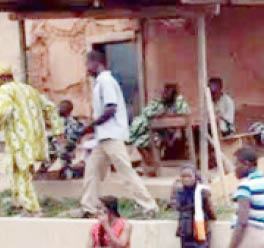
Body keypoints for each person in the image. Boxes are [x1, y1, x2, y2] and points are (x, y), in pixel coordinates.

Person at [80, 50, 158, 218]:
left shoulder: (106, 81)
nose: (86, 69)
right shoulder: (100, 82)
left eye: (87, 64)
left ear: (95, 63)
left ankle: (149, 206)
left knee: (126, 172)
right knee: (92, 171)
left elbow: (111, 108)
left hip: (112, 136)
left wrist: (91, 125)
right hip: (104, 137)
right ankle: (89, 207)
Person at [0, 63, 63, 215]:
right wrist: (57, 130)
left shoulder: (4, 91)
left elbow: (4, 111)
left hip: (19, 139)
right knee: (17, 170)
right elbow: (51, 107)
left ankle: (32, 208)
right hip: (35, 140)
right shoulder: (30, 90)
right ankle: (19, 203)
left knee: (21, 173)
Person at [128, 83, 190, 176]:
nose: (165, 94)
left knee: (154, 139)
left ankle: (151, 166)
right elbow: (147, 113)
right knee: (141, 141)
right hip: (156, 132)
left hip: (173, 133)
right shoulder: (158, 103)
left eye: (168, 92)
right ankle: (150, 166)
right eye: (164, 92)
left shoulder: (179, 102)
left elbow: (184, 117)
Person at [55, 100, 86, 180]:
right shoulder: (59, 121)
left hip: (67, 146)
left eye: (62, 108)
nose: (59, 109)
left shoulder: (72, 123)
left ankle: (72, 172)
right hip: (63, 146)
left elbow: (74, 138)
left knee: (62, 154)